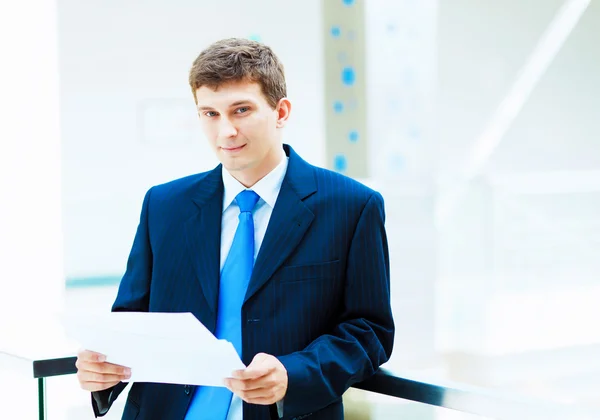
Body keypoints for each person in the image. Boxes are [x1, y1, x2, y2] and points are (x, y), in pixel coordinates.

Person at [75, 37, 394, 420]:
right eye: (209, 113)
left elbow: (369, 331)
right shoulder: (164, 205)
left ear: (281, 111)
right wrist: (104, 371)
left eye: (241, 110)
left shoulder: (352, 207)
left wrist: (293, 373)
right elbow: (132, 320)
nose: (225, 131)